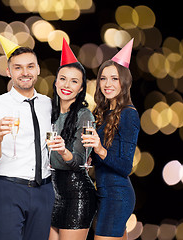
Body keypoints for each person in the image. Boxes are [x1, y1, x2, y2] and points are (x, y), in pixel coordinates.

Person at [0, 34, 55, 240]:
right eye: (18, 67)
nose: (25, 72)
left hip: (44, 189)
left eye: (30, 66)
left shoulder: (49, 105)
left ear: (38, 70)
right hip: (9, 189)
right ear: (8, 72)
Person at [82, 39, 140, 240]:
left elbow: (125, 166)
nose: (107, 84)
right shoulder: (105, 114)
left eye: (114, 79)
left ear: (124, 82)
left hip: (118, 196)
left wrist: (99, 150)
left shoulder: (129, 114)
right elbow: (106, 159)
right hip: (104, 193)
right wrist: (91, 158)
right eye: (103, 78)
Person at [48, 38, 97, 240]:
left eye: (74, 81)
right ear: (56, 81)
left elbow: (79, 162)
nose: (67, 85)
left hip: (77, 194)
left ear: (80, 88)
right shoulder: (47, 111)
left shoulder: (84, 116)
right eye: (63, 79)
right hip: (52, 194)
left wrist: (63, 150)